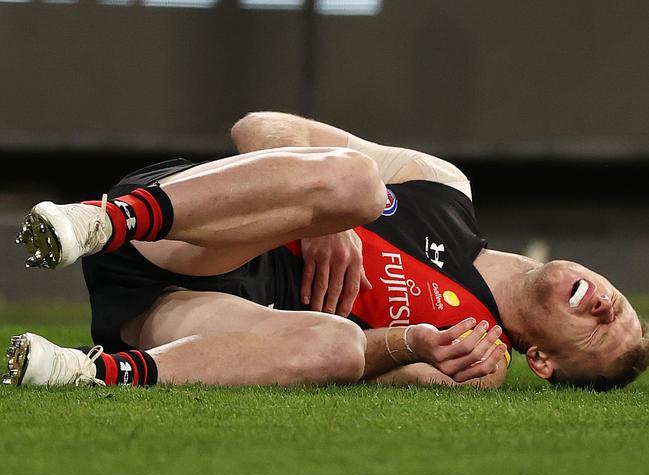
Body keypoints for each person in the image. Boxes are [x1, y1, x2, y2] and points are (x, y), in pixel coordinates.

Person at [5, 112, 648, 391]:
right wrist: (323, 217)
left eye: (599, 332)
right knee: (354, 182)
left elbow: (351, 362)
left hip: (185, 317)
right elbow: (259, 127)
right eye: (619, 306)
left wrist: (412, 346)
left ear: (539, 360)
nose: (607, 307)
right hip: (190, 231)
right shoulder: (444, 186)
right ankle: (99, 221)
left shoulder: (473, 361)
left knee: (340, 346)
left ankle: (84, 373)